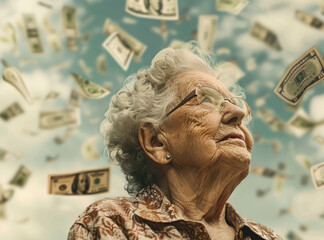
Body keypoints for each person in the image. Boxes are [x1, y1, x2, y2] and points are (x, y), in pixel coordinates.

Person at [68, 42, 282, 240]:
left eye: (238, 104)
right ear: (156, 143)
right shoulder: (111, 221)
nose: (237, 113)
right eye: (206, 99)